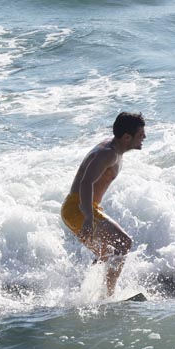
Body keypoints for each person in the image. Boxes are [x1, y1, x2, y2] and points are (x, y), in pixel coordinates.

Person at [61, 112, 146, 296]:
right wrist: (88, 218)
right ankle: (109, 295)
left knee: (107, 253)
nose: (144, 137)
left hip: (81, 207)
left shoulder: (113, 149)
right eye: (140, 134)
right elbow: (86, 182)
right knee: (123, 243)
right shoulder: (109, 154)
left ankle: (86, 294)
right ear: (126, 137)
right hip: (78, 208)